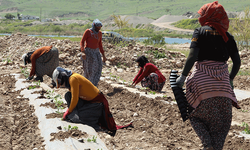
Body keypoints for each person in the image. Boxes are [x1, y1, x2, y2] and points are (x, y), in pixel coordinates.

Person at [175, 1, 241, 150]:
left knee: (194, 116)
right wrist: (230, 79)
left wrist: (183, 77)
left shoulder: (200, 32)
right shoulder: (228, 37)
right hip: (224, 89)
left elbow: (192, 56)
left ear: (207, 15)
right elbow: (237, 63)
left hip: (201, 87)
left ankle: (207, 145)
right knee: (221, 126)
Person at [52, 67, 132, 136]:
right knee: (68, 95)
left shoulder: (73, 79)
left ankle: (93, 122)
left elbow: (75, 99)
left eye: (59, 82)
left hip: (98, 103)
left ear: (63, 77)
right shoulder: (71, 79)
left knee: (80, 116)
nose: (61, 85)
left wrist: (68, 111)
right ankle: (76, 115)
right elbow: (73, 97)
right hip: (88, 101)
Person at [80, 19, 106, 86]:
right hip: (89, 53)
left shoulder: (99, 33)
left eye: (99, 27)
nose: (98, 29)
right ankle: (87, 84)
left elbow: (100, 45)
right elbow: (82, 42)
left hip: (96, 53)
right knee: (89, 70)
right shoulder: (88, 31)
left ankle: (94, 84)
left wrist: (103, 55)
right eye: (97, 27)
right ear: (94, 26)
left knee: (98, 68)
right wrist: (83, 52)